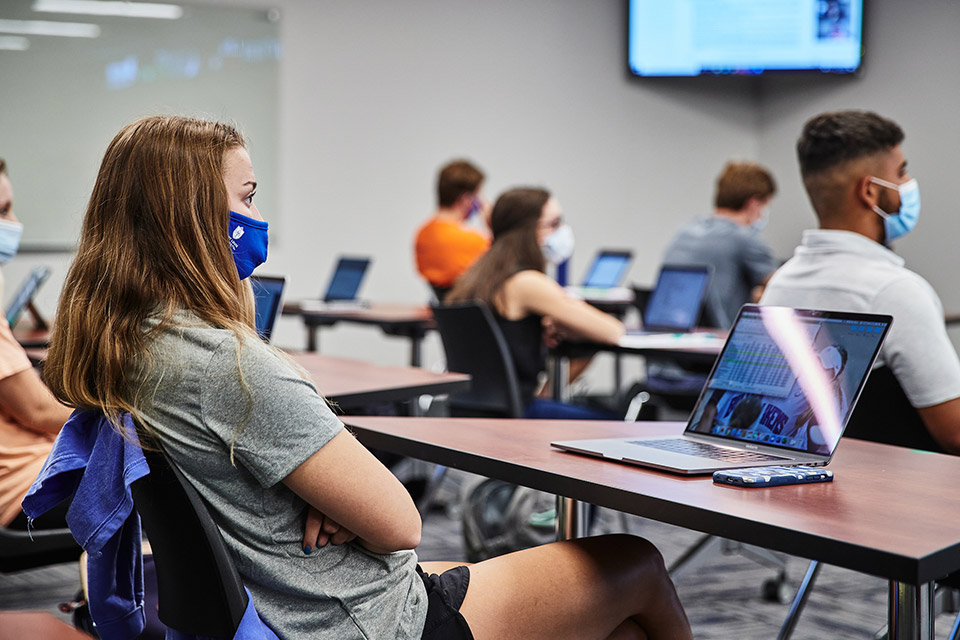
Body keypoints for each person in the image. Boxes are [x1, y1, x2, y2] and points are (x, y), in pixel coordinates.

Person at [43, 116, 692, 640]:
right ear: (192, 217)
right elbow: (400, 524)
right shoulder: (233, 369)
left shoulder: (130, 348)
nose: (257, 214)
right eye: (247, 197)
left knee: (614, 627)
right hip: (359, 619)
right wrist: (348, 500)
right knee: (638, 566)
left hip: (286, 598)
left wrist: (331, 496)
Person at [761, 109, 960, 454]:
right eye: (900, 173)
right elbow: (954, 432)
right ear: (870, 191)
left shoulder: (780, 284)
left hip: (795, 494)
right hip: (892, 498)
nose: (907, 184)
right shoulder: (895, 291)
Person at [447, 187, 627, 420]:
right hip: (515, 417)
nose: (561, 232)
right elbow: (613, 331)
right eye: (553, 224)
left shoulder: (475, 278)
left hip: (470, 413)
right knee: (618, 424)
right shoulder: (526, 282)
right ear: (528, 231)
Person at [0, 158, 73, 530]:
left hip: (32, 470)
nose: (12, 223)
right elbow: (39, 412)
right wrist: (124, 413)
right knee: (151, 482)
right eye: (1, 211)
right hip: (20, 488)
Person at [661, 161, 778, 328]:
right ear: (754, 203)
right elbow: (782, 289)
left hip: (671, 339)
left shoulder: (684, 232)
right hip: (719, 344)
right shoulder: (745, 239)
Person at [414, 160, 490, 299]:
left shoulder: (422, 234)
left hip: (446, 316)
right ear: (467, 199)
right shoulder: (474, 240)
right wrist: (492, 224)